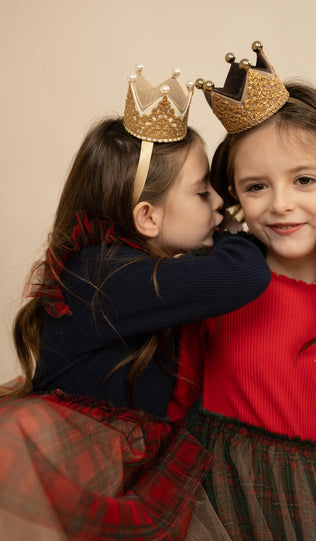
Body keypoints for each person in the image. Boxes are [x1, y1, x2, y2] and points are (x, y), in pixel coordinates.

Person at [0, 65, 270, 540]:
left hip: (124, 462)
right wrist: (236, 229)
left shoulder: (142, 275)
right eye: (204, 191)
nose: (218, 205)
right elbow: (244, 275)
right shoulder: (102, 276)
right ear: (147, 216)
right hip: (77, 456)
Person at [168, 41, 316, 540]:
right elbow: (176, 395)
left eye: (304, 180)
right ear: (234, 195)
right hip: (208, 500)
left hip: (313, 514)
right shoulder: (216, 281)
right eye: (256, 187)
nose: (281, 204)